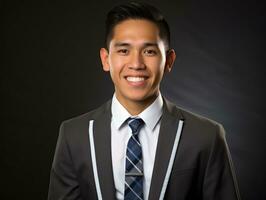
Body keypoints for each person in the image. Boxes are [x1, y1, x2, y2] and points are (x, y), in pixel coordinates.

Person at [48, 2, 241, 200]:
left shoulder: (206, 136)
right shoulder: (74, 135)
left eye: (149, 51)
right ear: (106, 59)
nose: (136, 64)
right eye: (124, 51)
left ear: (169, 61)